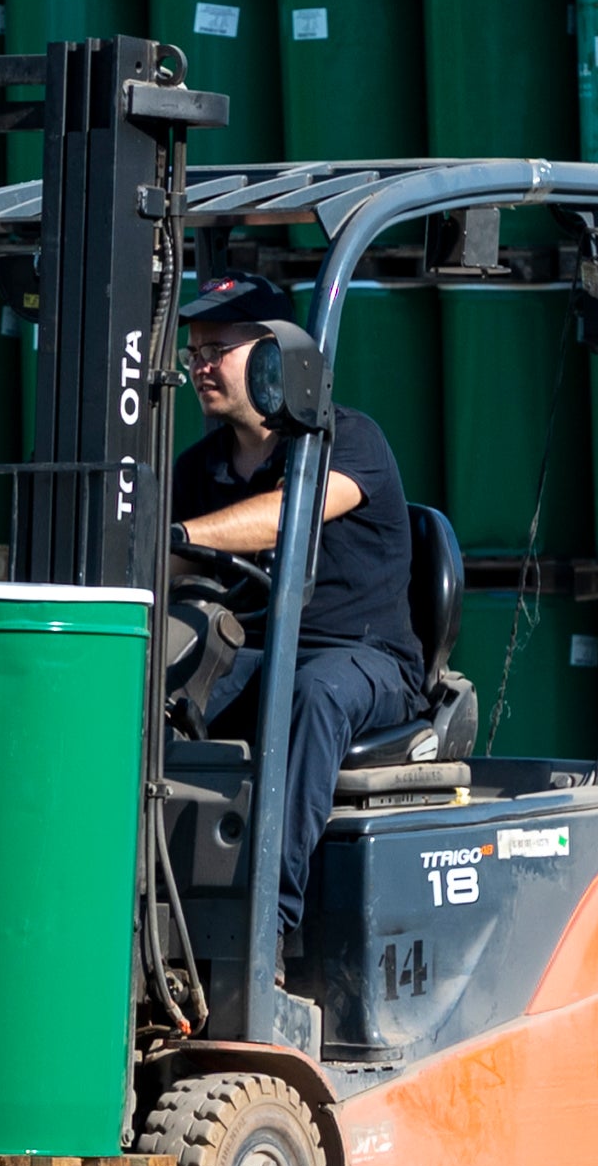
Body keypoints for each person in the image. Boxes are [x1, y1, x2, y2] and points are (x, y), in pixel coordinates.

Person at [169, 274, 424, 961]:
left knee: (309, 692)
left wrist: (184, 537)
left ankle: (267, 929)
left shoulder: (343, 439)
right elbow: (166, 557)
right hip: (259, 653)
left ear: (273, 352)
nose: (199, 364)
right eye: (194, 350)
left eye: (217, 348)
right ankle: (146, 903)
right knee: (160, 686)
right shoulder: (199, 469)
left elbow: (285, 515)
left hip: (364, 662)